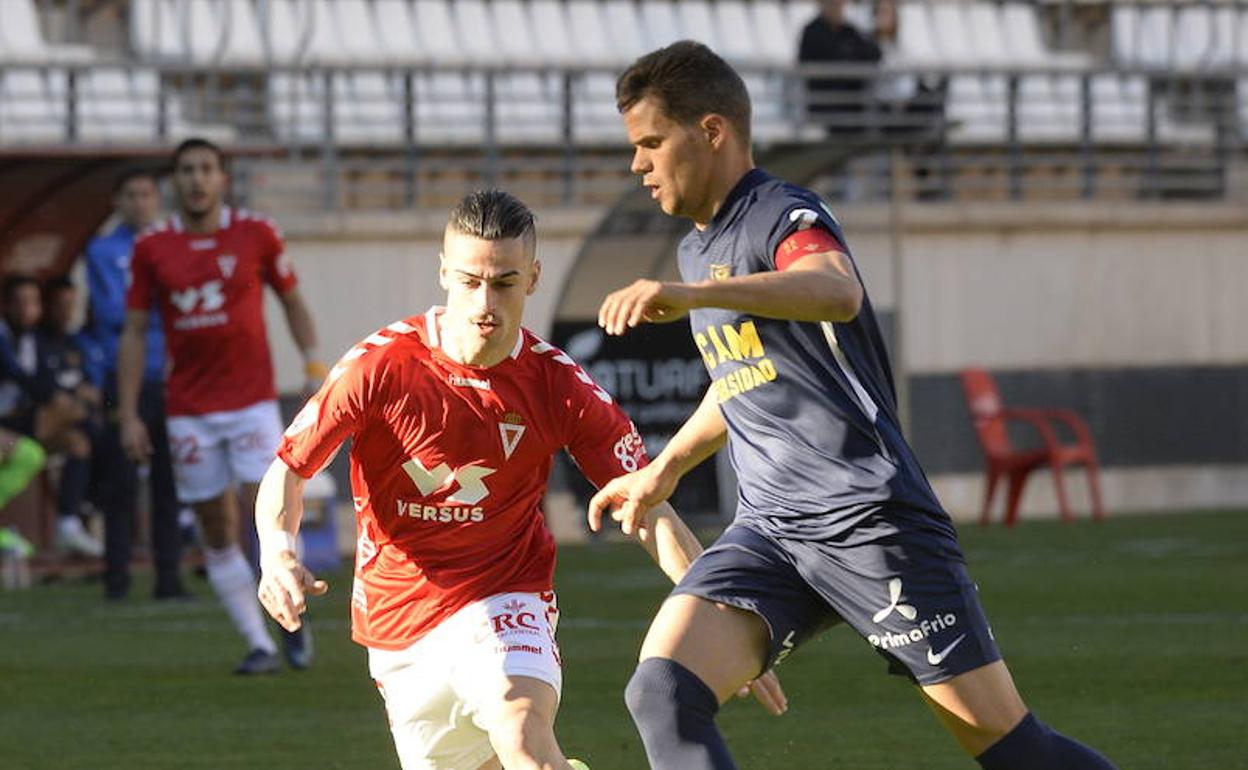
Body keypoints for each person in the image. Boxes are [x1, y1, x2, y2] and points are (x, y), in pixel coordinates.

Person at [590, 41, 1118, 770]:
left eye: (651, 142)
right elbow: (743, 374)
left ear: (711, 132)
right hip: (772, 530)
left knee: (1010, 747)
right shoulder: (695, 250)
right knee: (661, 690)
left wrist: (695, 296)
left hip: (866, 519)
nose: (637, 165)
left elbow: (837, 289)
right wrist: (665, 469)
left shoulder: (781, 210)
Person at [253, 190, 773, 770]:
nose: (485, 302)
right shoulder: (382, 365)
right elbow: (289, 469)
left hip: (506, 596)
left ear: (532, 278)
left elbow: (650, 509)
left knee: (521, 734)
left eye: (504, 282)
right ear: (444, 272)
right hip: (397, 622)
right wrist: (277, 553)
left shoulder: (558, 386)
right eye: (470, 281)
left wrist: (722, 617)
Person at [118, 138, 326, 674]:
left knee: (267, 514)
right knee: (215, 527)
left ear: (222, 179)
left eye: (206, 169)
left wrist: (312, 368)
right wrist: (127, 412)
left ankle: (293, 623)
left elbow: (295, 300)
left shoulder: (256, 233)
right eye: (187, 170)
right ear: (175, 182)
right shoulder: (152, 247)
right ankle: (259, 643)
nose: (196, 179)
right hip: (188, 408)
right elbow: (136, 332)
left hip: (252, 404)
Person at [83, 167, 187, 600]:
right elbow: (113, 312)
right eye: (130, 195)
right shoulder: (102, 251)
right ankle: (117, 581)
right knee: (121, 484)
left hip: (172, 377)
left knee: (169, 484)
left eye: (145, 194)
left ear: (156, 200)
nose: (138, 202)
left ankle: (169, 579)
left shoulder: (173, 246)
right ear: (117, 201)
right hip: (122, 378)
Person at [0, 275, 101, 557]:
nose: (27, 309)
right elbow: (19, 376)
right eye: (20, 302)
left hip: (22, 421)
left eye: (33, 302)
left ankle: (69, 521)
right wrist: (60, 396)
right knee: (30, 451)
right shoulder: (3, 336)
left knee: (77, 442)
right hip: (9, 421)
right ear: (6, 306)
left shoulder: (36, 339)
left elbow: (46, 378)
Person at [798, 0, 890, 135]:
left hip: (854, 105)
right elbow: (832, 60)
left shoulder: (849, 30)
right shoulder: (812, 31)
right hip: (826, 106)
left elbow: (874, 53)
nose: (837, 7)